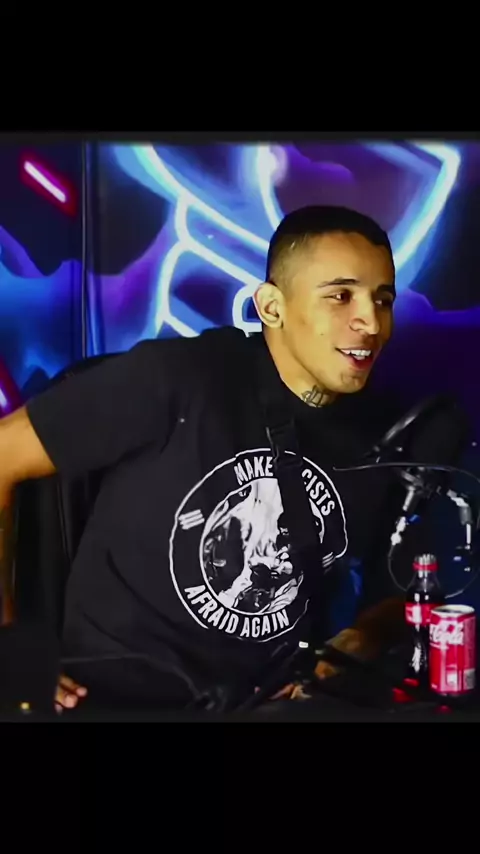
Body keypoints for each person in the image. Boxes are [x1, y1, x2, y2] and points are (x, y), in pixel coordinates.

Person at [0, 205, 453, 714]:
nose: (371, 322)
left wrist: (354, 644)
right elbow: (4, 453)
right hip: (113, 700)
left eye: (383, 299)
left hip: (271, 704)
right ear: (272, 308)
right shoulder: (175, 378)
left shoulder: (388, 435)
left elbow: (410, 589)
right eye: (340, 296)